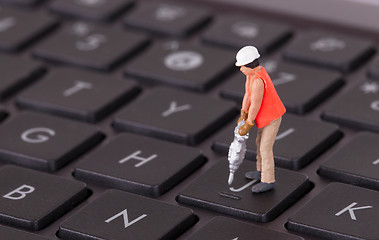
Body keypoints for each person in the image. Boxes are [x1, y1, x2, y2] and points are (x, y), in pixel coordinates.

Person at [235, 46, 286, 193]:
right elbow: (247, 96)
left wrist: (248, 123)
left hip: (272, 117)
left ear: (250, 64)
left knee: (265, 148)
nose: (241, 69)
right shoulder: (250, 75)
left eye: (242, 66)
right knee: (259, 143)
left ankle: (268, 179)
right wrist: (243, 113)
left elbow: (256, 105)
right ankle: (260, 171)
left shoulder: (258, 80)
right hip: (264, 117)